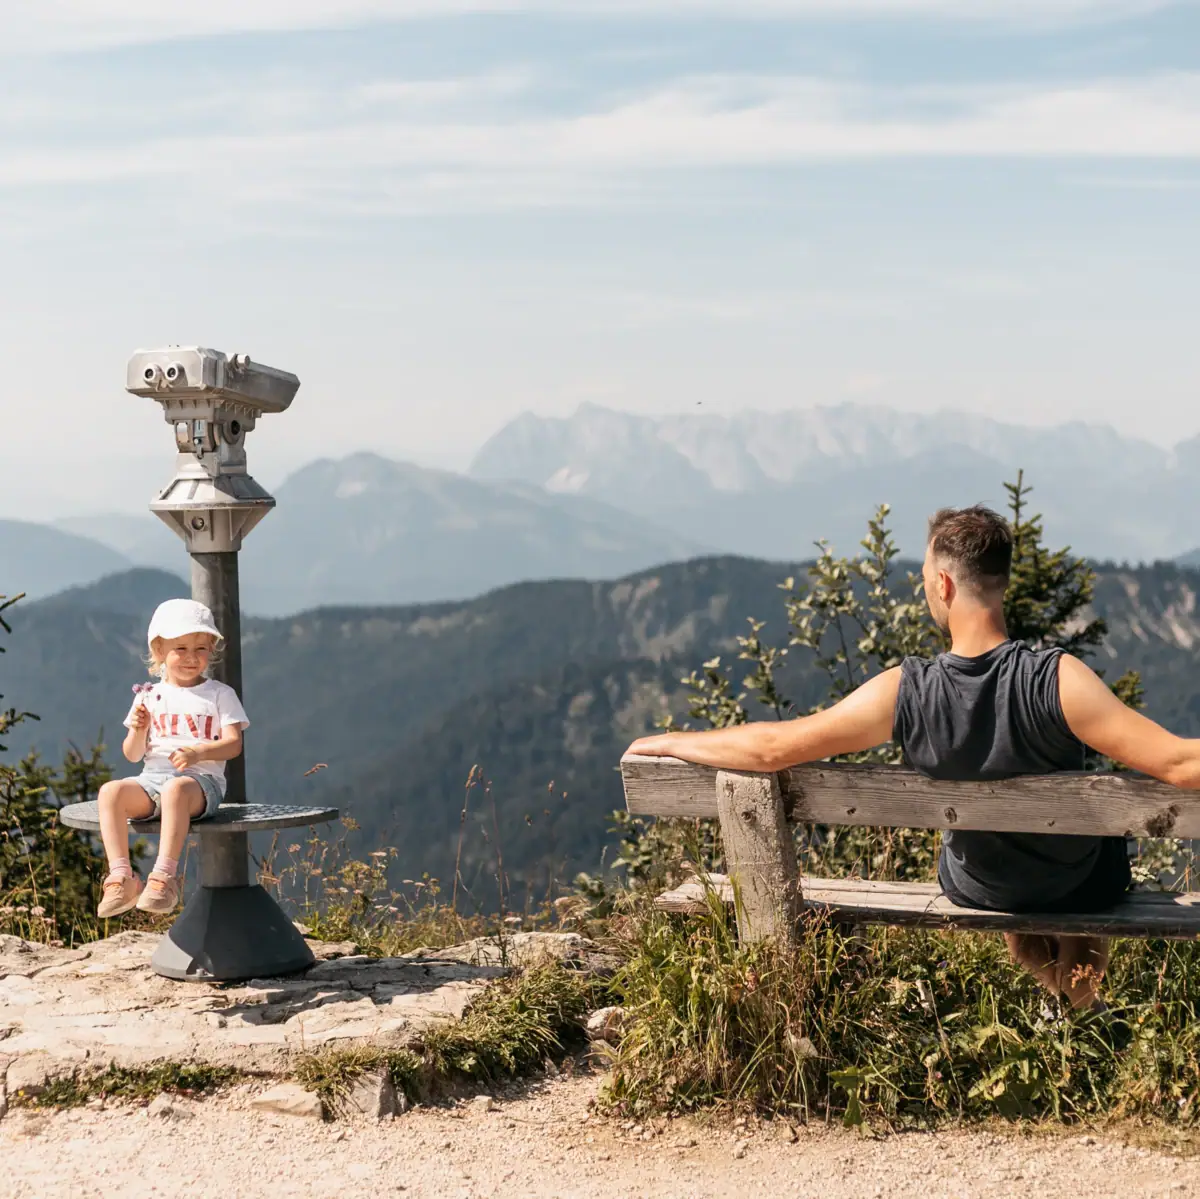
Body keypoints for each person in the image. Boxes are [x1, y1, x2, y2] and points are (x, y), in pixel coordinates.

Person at [627, 504, 1200, 1015]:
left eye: (926, 580)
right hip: (1077, 885)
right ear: (1000, 583)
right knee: (1097, 850)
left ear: (945, 586)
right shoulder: (1057, 679)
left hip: (978, 887)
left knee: (986, 856)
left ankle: (1064, 996)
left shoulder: (906, 689)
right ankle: (1080, 999)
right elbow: (1177, 764)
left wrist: (675, 740)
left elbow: (772, 748)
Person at [95, 598, 249, 918]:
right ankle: (121, 877)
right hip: (152, 779)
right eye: (181, 648)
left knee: (175, 790)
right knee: (110, 792)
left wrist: (200, 751)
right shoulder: (148, 695)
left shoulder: (220, 694)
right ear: (159, 651)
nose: (191, 658)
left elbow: (233, 745)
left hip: (200, 783)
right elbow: (133, 754)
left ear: (211, 649)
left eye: (201, 649)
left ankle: (164, 877)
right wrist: (138, 730)